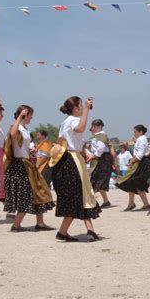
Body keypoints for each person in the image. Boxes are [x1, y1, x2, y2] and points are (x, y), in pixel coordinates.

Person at [50, 96, 101, 242]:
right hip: (71, 161)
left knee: (82, 193)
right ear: (76, 108)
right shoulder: (73, 120)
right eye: (80, 106)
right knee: (77, 195)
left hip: (70, 159)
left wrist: (84, 153)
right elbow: (80, 128)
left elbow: (75, 140)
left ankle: (90, 229)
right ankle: (62, 231)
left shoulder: (65, 122)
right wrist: (86, 110)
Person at [4, 105, 55, 232]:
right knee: (26, 195)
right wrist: (20, 116)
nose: (32, 117)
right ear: (24, 115)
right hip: (20, 165)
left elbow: (21, 146)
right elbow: (12, 134)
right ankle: (16, 225)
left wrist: (30, 151)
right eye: (30, 115)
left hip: (27, 163)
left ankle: (40, 223)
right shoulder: (17, 127)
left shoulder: (25, 129)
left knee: (39, 190)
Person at [116, 124, 150, 211]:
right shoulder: (140, 139)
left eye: (135, 132)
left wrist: (132, 161)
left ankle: (145, 204)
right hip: (139, 163)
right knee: (131, 183)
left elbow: (140, 154)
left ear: (140, 132)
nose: (134, 133)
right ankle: (132, 203)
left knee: (137, 182)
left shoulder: (142, 139)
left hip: (142, 163)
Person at [87, 119, 113, 208]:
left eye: (94, 126)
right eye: (92, 126)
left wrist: (93, 156)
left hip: (103, 159)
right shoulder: (97, 136)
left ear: (100, 126)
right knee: (97, 180)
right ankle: (106, 201)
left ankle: (90, 201)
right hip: (100, 158)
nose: (92, 128)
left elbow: (100, 149)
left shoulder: (101, 135)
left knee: (96, 180)